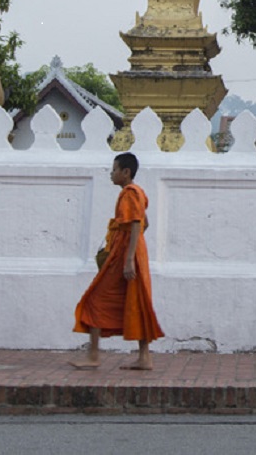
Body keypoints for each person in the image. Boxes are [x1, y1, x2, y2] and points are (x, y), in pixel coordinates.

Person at [71, 152, 163, 370]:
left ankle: (93, 355)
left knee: (94, 299)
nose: (111, 174)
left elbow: (135, 225)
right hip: (132, 250)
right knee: (136, 300)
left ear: (125, 172)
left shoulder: (129, 193)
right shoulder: (137, 192)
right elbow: (144, 224)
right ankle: (144, 357)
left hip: (125, 254)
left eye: (114, 170)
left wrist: (128, 258)